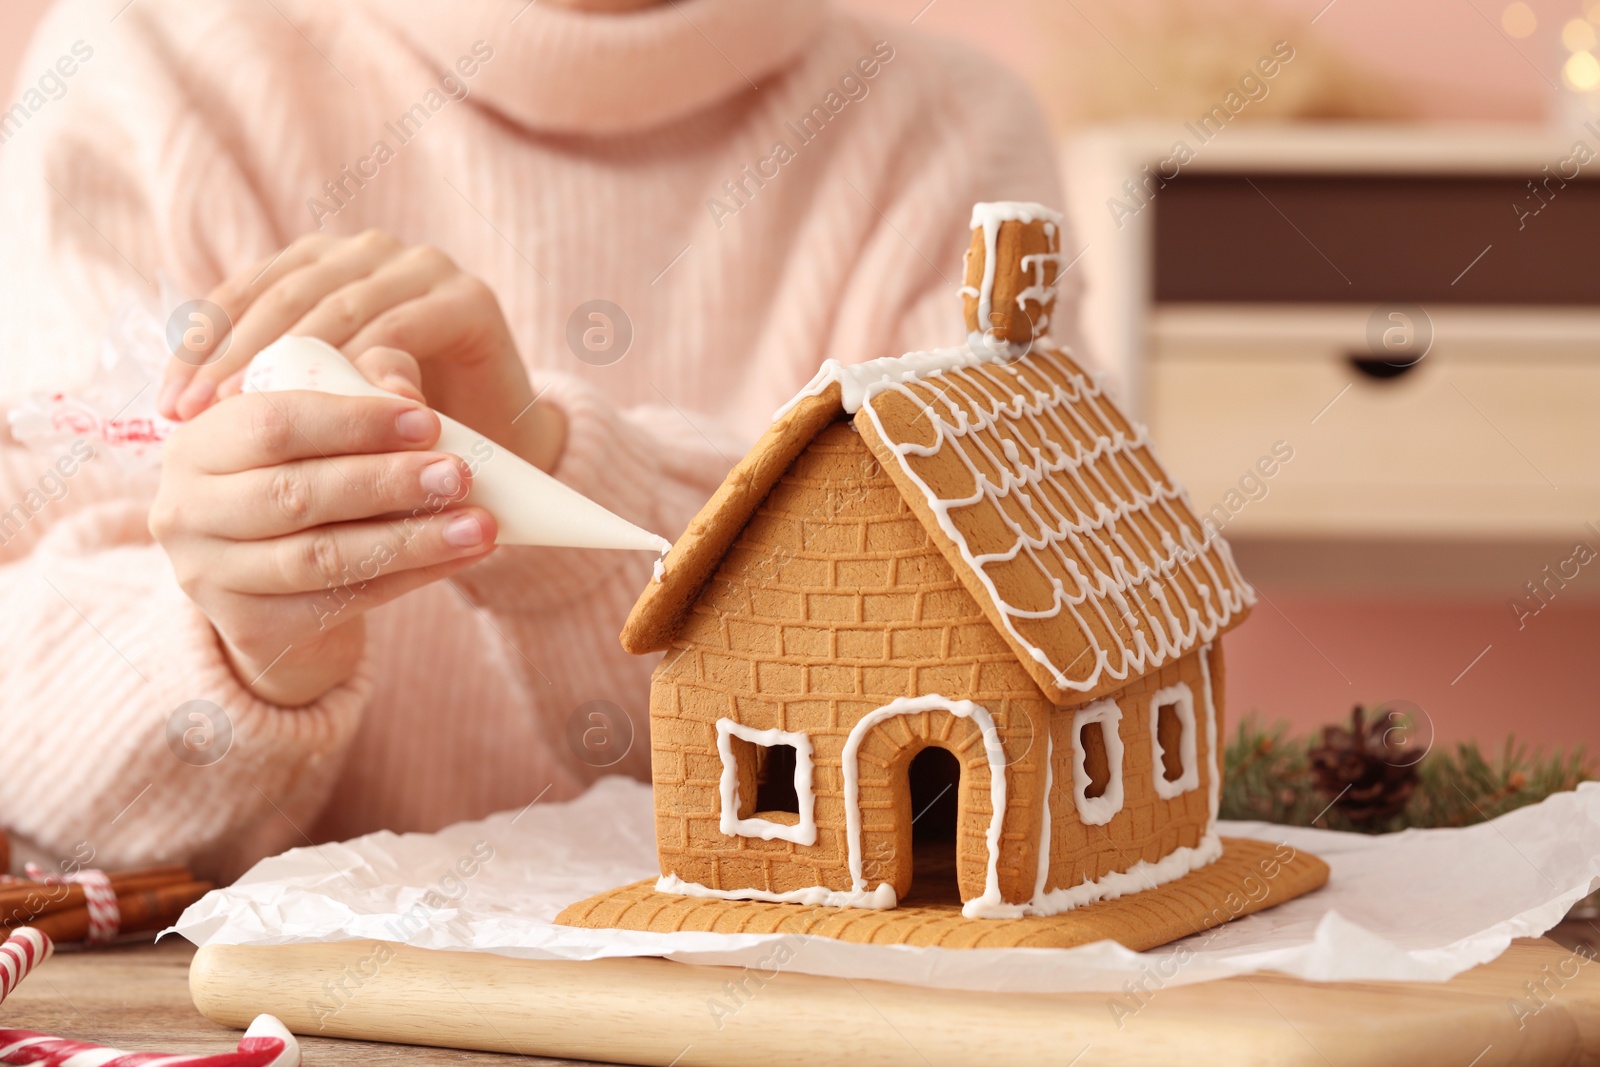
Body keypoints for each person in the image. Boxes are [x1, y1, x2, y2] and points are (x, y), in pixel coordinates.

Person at [0, 0, 1065, 878]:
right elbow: (30, 740)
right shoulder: (148, 68)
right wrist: (248, 649)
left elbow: (1011, 708)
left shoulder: (948, 137)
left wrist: (554, 478)